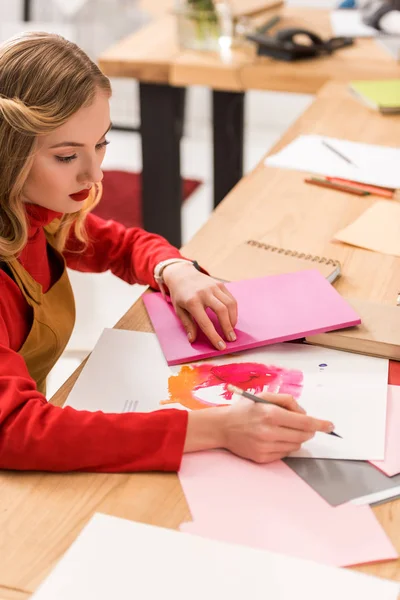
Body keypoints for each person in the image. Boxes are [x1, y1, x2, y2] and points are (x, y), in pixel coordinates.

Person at [0, 32, 334, 473]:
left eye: (101, 143)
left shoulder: (34, 208)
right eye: (66, 157)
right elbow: (16, 430)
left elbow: (114, 242)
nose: (95, 171)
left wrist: (173, 267)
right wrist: (216, 428)